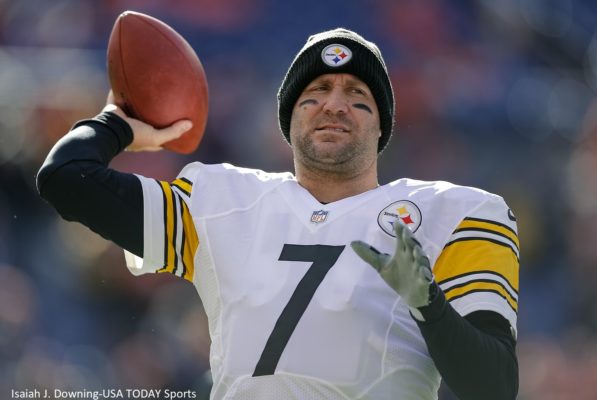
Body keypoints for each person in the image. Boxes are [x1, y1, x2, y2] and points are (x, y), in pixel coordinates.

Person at [37, 28, 519, 399]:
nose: (335, 104)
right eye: (315, 93)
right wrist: (117, 124)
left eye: (358, 97)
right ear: (289, 119)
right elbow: (65, 179)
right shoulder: (222, 201)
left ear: (381, 130)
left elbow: (494, 387)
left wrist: (429, 305)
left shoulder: (454, 213)